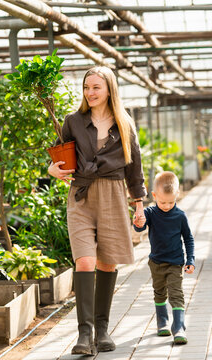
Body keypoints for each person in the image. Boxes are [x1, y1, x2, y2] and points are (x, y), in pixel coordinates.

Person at [48, 66, 146, 354]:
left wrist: (138, 204)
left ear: (109, 90)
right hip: (81, 194)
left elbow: (135, 167)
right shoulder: (73, 121)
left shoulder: (124, 123)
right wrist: (52, 170)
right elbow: (57, 154)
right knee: (85, 261)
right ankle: (84, 333)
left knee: (107, 262)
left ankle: (102, 330)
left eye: (95, 87)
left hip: (114, 194)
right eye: (86, 87)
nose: (90, 93)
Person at [133, 171, 195, 345]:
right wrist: (137, 222)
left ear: (177, 195)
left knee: (176, 294)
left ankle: (179, 327)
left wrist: (190, 260)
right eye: (162, 202)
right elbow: (140, 228)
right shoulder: (151, 212)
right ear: (154, 196)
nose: (167, 206)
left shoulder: (180, 216)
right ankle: (162, 323)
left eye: (171, 201)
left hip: (176, 262)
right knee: (159, 293)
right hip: (156, 262)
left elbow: (188, 238)